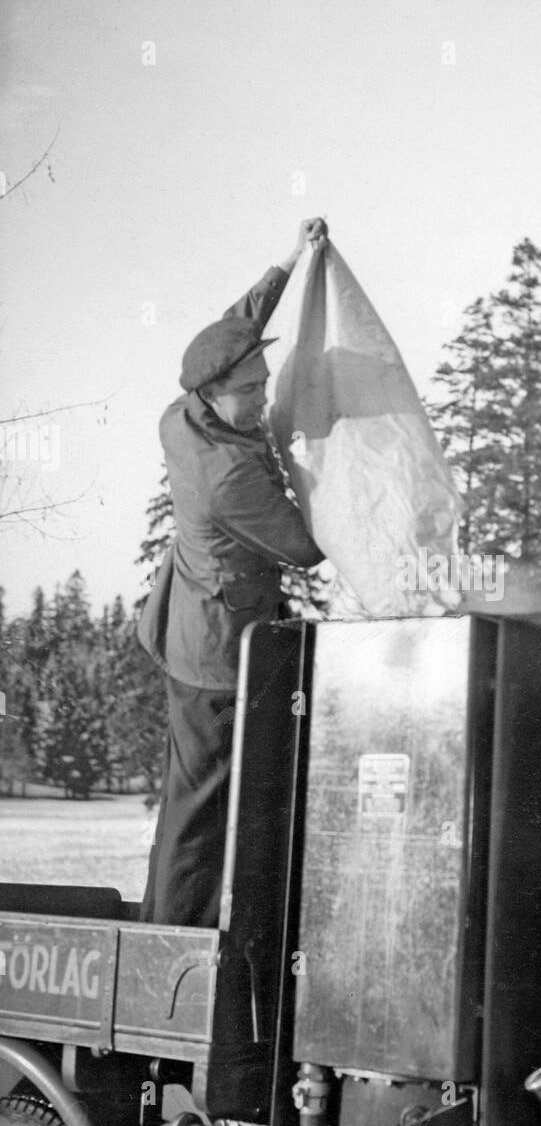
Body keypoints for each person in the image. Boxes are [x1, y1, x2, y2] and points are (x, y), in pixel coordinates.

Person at [137, 218, 328, 927]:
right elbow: (304, 547)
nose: (264, 398)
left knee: (188, 803)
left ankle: (165, 929)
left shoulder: (180, 415)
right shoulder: (228, 478)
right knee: (201, 817)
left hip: (186, 627)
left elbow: (237, 323)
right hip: (216, 657)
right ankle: (168, 964)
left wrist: (291, 258)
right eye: (252, 391)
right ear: (215, 394)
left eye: (263, 381)